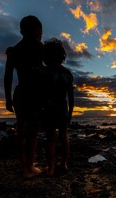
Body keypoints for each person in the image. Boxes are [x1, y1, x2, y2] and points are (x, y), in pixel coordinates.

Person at [4, 15, 44, 177]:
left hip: (20, 93)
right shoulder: (38, 47)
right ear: (37, 31)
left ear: (21, 31)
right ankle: (28, 168)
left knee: (21, 129)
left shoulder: (13, 50)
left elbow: (7, 76)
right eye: (40, 30)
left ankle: (23, 164)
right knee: (32, 131)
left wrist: (8, 98)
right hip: (33, 93)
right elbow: (47, 70)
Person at [42, 38, 74, 176]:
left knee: (50, 138)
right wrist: (70, 114)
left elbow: (40, 93)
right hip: (63, 109)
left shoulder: (44, 72)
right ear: (62, 56)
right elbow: (71, 97)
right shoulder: (67, 73)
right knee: (64, 135)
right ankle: (64, 164)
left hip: (49, 109)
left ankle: (50, 167)